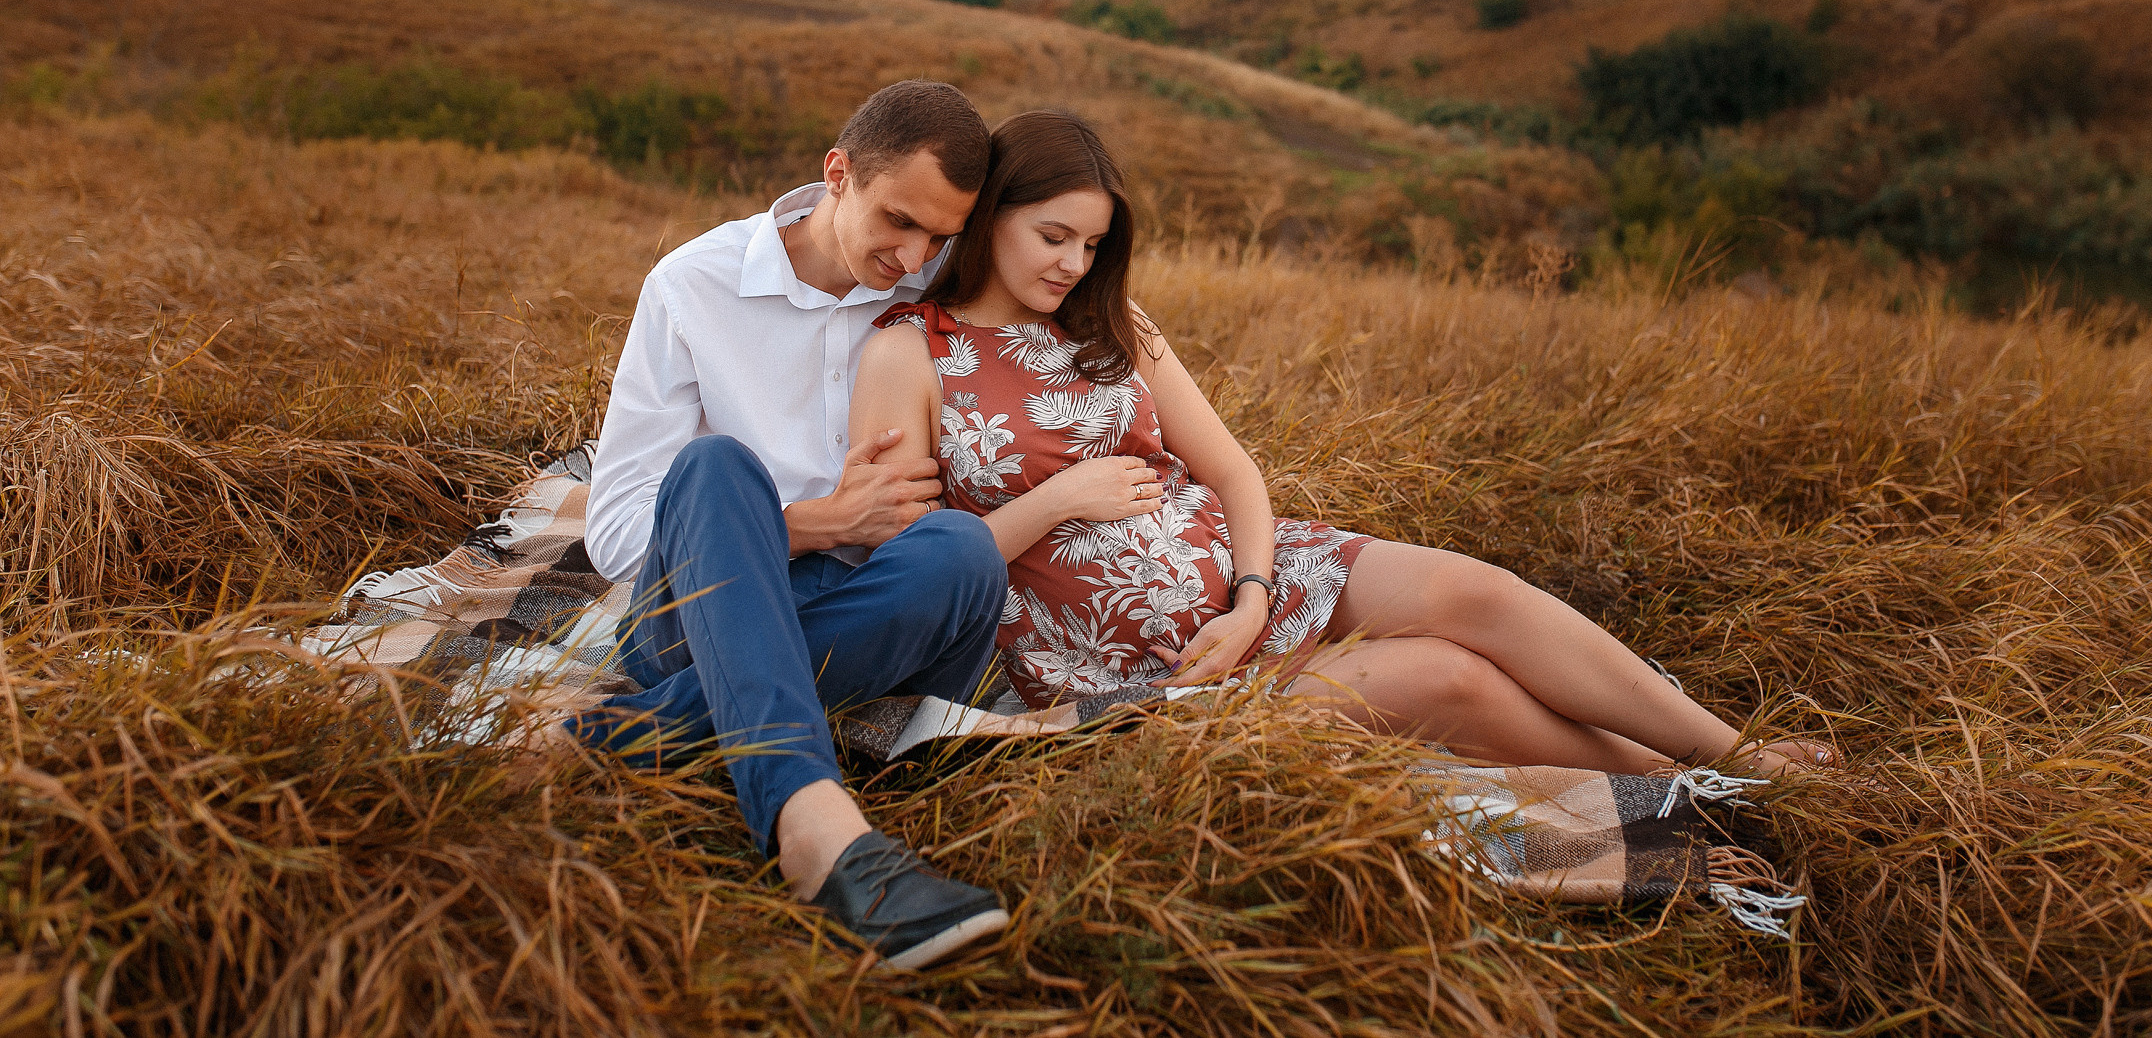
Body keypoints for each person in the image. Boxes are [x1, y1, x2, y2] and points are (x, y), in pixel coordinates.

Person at [851, 110, 1831, 775]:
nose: (1075, 263)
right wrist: (1055, 501)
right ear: (990, 218)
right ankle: (1684, 781)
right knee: (1446, 676)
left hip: (1242, 586)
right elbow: (911, 580)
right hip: (1137, 671)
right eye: (1053, 235)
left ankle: (1736, 754)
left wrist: (1251, 594)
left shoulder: (1117, 322)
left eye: (1093, 244)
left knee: (1474, 592)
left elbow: (1233, 471)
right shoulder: (910, 352)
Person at [573, 80, 1014, 971]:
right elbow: (617, 529)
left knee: (965, 554)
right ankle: (818, 827)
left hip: (873, 604)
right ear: (837, 173)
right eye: (898, 220)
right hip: (705, 611)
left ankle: (634, 735)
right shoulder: (692, 287)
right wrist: (812, 524)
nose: (913, 254)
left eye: (940, 236)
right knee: (713, 466)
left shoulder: (942, 294)